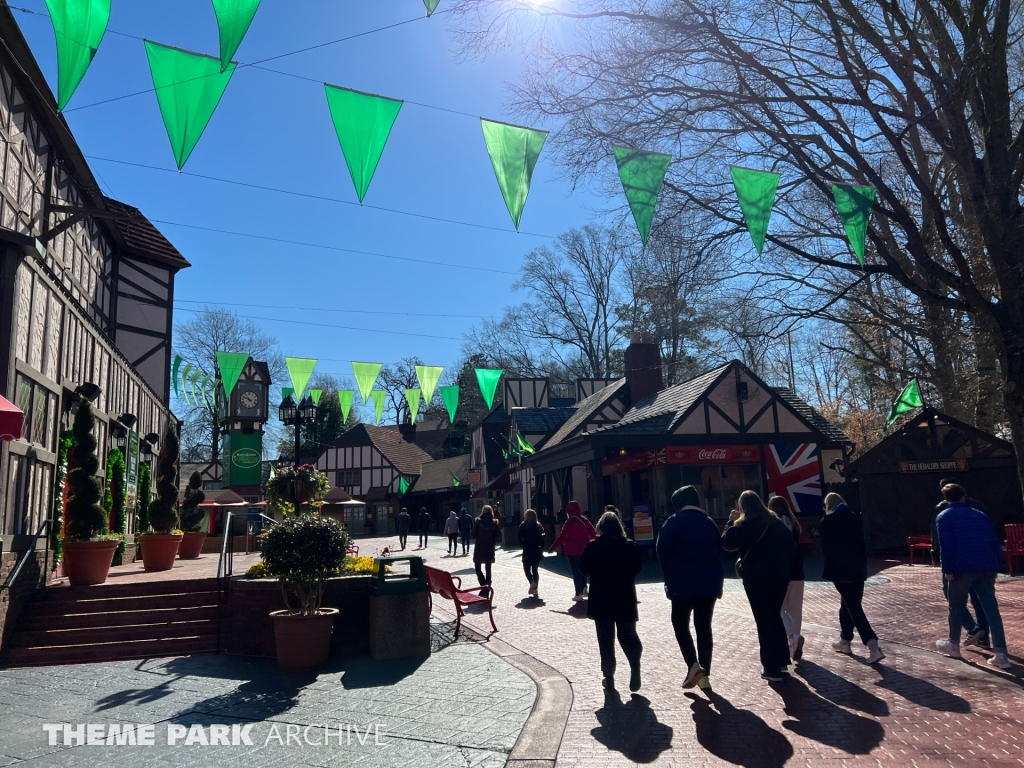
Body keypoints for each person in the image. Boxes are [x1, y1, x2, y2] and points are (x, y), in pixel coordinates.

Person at [934, 484, 1012, 669]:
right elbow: (993, 540)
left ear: (946, 498)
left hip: (962, 567)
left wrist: (948, 570)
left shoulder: (944, 516)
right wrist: (996, 563)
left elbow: (947, 546)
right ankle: (1001, 652)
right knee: (991, 609)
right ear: (964, 496)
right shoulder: (980, 515)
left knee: (956, 605)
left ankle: (954, 644)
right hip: (986, 566)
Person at [722, 491, 796, 682]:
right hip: (779, 577)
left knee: (764, 621)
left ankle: (771, 668)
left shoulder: (744, 525)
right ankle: (781, 661)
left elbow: (726, 543)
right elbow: (792, 547)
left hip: (756, 578)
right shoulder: (776, 522)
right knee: (775, 616)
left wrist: (731, 522)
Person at [657, 485, 722, 691]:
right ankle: (705, 677)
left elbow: (661, 551)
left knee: (680, 623)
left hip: (681, 583)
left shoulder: (673, 523)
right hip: (709, 583)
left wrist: (669, 575)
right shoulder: (710, 523)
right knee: (704, 627)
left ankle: (693, 664)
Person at [579, 510, 644, 693]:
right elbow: (637, 566)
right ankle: (635, 665)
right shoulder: (629, 546)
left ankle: (609, 677)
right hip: (625, 597)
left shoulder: (594, 546)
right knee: (628, 635)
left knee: (605, 639)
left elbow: (583, 568)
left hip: (602, 598)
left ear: (600, 527)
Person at [819, 492, 885, 664]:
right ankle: (845, 640)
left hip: (840, 570)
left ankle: (872, 644)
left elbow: (825, 549)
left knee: (853, 606)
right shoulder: (856, 519)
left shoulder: (827, 522)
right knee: (849, 603)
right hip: (858, 569)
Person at [932, 478, 990, 648]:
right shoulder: (978, 509)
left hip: (958, 563)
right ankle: (984, 635)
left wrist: (940, 560)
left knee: (954, 600)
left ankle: (968, 630)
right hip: (980, 561)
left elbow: (942, 539)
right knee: (979, 599)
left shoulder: (943, 510)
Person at [768, 495, 806, 661]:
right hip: (798, 571)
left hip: (781, 572)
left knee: (777, 608)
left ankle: (792, 635)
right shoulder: (795, 524)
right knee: (795, 609)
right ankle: (795, 639)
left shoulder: (773, 524)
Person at [551, 500, 597, 601]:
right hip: (584, 549)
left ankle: (578, 593)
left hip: (572, 550)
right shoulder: (584, 520)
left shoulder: (570, 521)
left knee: (575, 572)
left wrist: (554, 546)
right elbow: (593, 532)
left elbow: (562, 536)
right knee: (583, 569)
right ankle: (585, 588)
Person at [518, 508, 545, 597]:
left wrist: (523, 546)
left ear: (528, 516)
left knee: (526, 569)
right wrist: (540, 546)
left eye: (525, 514)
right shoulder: (538, 525)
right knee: (535, 570)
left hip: (527, 550)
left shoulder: (524, 525)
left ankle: (532, 582)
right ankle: (535, 588)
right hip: (536, 551)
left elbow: (519, 537)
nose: (524, 515)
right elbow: (543, 537)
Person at [473, 505, 499, 596]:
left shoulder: (478, 522)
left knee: (477, 568)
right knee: (488, 568)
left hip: (479, 547)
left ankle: (484, 586)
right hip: (490, 547)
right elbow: (498, 535)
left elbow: (472, 535)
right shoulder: (494, 523)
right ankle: (487, 587)